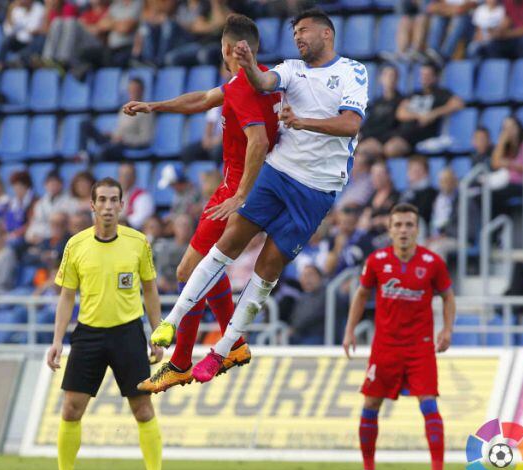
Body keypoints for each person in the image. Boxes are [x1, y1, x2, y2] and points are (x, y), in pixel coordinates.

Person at [146, 8, 367, 384]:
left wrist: (302, 122)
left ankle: (224, 348)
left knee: (266, 272)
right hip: (276, 173)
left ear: (327, 34)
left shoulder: (353, 71)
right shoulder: (289, 70)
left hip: (316, 190)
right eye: (294, 31)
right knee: (225, 246)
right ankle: (171, 322)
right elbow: (263, 81)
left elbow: (351, 124)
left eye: (305, 30)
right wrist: (248, 64)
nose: (298, 36)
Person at [124, 14, 280, 392]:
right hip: (264, 185)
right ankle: (233, 341)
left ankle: (180, 361)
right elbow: (202, 99)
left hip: (237, 188)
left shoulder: (242, 87)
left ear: (227, 49)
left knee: (186, 272)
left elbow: (257, 141)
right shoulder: (271, 80)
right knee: (211, 266)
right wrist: (154, 106)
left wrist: (240, 194)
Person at [42, 177, 168, 470]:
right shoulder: (76, 245)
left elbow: (150, 290)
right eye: (103, 200)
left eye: (114, 200)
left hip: (128, 333)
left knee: (142, 409)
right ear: (92, 205)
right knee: (71, 409)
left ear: (122, 205)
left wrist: (157, 334)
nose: (109, 206)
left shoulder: (138, 242)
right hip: (88, 335)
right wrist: (57, 340)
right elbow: (67, 296)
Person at [342, 203, 455, 470]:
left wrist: (447, 329)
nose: (404, 230)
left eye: (409, 225)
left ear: (417, 229)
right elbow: (361, 294)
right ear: (390, 229)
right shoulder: (377, 260)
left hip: (420, 347)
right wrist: (349, 330)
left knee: (428, 403)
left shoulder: (432, 262)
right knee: (370, 405)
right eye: (398, 225)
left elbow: (447, 296)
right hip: (385, 347)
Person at [383, 63, 464, 158]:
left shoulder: (441, 93)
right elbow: (400, 113)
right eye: (422, 74)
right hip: (401, 133)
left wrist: (434, 113)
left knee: (390, 149)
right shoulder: (414, 93)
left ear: (435, 77)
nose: (423, 78)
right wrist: (419, 116)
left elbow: (458, 103)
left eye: (427, 75)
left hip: (420, 136)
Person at [479, 115, 523, 218]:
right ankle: (497, 226)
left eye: (511, 127)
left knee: (496, 195)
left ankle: (500, 226)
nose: (509, 131)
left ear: (519, 127)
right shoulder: (505, 147)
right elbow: (495, 163)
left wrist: (511, 165)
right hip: (509, 183)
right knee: (485, 194)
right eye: (505, 128)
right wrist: (502, 142)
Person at [79, 77, 154, 161]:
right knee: (84, 124)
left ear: (142, 91)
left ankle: (91, 158)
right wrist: (112, 134)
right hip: (115, 140)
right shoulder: (125, 107)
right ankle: (83, 154)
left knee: (106, 151)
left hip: (127, 145)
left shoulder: (146, 112)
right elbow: (119, 130)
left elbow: (145, 139)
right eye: (130, 89)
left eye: (135, 90)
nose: (132, 92)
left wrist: (124, 139)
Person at [357, 65, 402, 159]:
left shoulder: (402, 101)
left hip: (385, 141)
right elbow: (369, 124)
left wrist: (377, 140)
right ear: (381, 79)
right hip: (370, 139)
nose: (390, 79)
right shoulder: (376, 102)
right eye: (387, 75)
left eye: (393, 76)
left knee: (362, 151)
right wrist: (362, 135)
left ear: (397, 79)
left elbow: (396, 127)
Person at [25, 170, 75, 245]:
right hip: (41, 237)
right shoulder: (40, 203)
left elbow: (66, 225)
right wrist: (31, 235)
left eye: (55, 183)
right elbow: (35, 222)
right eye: (50, 183)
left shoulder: (70, 200)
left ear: (61, 184)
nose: (53, 186)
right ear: (45, 185)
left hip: (62, 238)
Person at [0, 0, 45, 66]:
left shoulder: (40, 9)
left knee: (34, 43)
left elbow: (32, 31)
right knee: (6, 41)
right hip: (19, 40)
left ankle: (19, 63)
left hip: (32, 41)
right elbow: (8, 31)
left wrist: (22, 30)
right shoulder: (16, 9)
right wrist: (10, 11)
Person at [399, 155, 437, 226]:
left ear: (426, 173)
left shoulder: (431, 193)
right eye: (411, 170)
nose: (413, 173)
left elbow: (423, 213)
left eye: (417, 170)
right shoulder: (406, 192)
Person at [118, 161, 154, 230]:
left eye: (128, 175)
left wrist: (121, 220)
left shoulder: (143, 196)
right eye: (122, 175)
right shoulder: (112, 195)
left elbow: (141, 219)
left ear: (135, 177)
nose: (125, 178)